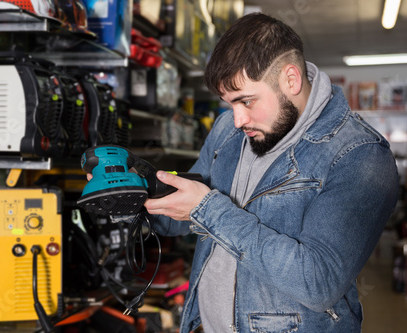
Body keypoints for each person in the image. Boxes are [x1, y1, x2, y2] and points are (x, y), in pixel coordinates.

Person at [143, 13, 399, 333]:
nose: (236, 120)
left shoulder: (360, 156)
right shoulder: (228, 130)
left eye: (246, 101)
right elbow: (183, 214)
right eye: (229, 105)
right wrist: (137, 196)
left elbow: (318, 284)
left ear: (290, 80)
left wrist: (207, 208)